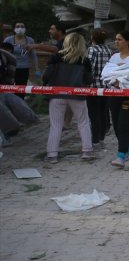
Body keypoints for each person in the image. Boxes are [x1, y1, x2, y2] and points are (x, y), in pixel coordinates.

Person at [42, 32, 93, 163]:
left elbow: (47, 76)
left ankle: (52, 155)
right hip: (77, 95)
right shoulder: (84, 60)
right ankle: (87, 151)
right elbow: (89, 79)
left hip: (57, 94)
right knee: (83, 122)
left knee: (55, 125)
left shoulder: (56, 57)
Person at [101, 30, 129, 169]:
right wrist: (114, 80)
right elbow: (107, 74)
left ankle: (121, 156)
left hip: (128, 97)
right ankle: (126, 150)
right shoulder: (113, 57)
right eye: (116, 39)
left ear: (127, 42)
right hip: (113, 95)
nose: (116, 42)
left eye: (120, 39)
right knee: (117, 126)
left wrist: (120, 80)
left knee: (124, 125)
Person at [86, 28, 113, 145]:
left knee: (93, 113)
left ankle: (95, 138)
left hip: (93, 86)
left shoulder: (92, 50)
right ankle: (101, 136)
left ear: (93, 38)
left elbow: (89, 67)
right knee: (103, 112)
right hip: (106, 85)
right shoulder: (108, 50)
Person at [4, 21, 37, 96]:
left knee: (21, 90)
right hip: (10, 68)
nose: (20, 28)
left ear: (25, 29)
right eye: (17, 26)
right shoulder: (8, 40)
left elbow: (33, 55)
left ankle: (19, 104)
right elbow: (3, 54)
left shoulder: (30, 40)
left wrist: (37, 69)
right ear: (14, 29)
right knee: (8, 89)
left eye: (22, 27)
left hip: (24, 69)